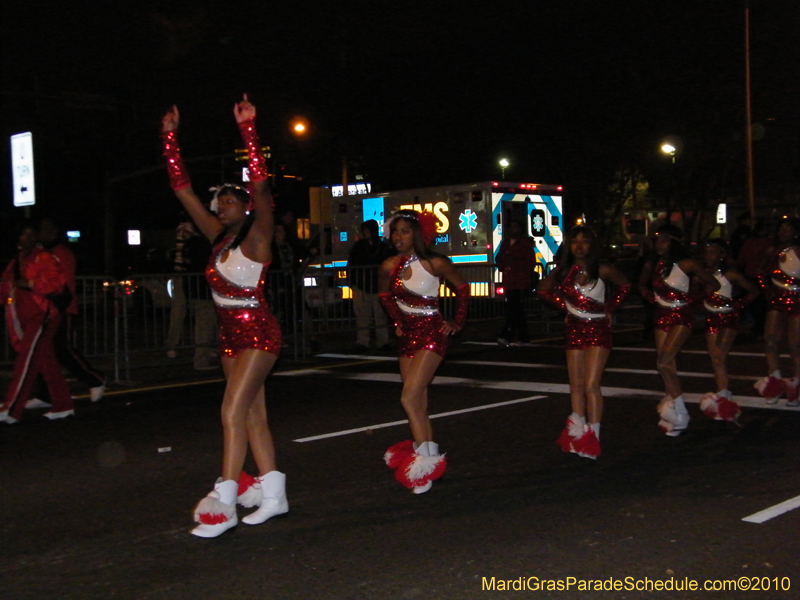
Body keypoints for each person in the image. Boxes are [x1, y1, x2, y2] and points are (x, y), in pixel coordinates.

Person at [161, 95, 287, 538]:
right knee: (252, 415)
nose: (221, 206)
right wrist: (169, 139)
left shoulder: (258, 237)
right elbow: (182, 190)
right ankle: (274, 495)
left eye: (230, 200)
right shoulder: (218, 239)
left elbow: (262, 188)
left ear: (245, 206)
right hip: (229, 334)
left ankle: (226, 499)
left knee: (230, 411)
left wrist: (249, 130)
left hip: (258, 332)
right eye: (220, 202)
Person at [378, 209, 469, 494]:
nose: (398, 237)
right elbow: (383, 295)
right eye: (395, 231)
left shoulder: (435, 263)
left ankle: (424, 465)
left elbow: (463, 288)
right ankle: (430, 458)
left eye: (404, 231)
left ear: (417, 234)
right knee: (418, 401)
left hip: (432, 333)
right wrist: (396, 323)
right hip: (408, 337)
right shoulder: (389, 265)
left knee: (409, 396)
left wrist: (456, 322)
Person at [537, 225, 630, 459]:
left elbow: (625, 286)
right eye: (575, 241)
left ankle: (594, 436)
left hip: (598, 327)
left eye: (584, 241)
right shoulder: (563, 271)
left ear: (592, 245)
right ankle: (577, 433)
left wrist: (609, 308)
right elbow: (543, 290)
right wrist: (567, 306)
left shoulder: (603, 269)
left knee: (591, 385)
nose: (579, 246)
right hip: (573, 328)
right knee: (576, 385)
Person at [637, 224, 719, 436]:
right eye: (657, 240)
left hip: (681, 315)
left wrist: (692, 299)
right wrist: (652, 299)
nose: (659, 244)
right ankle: (674, 411)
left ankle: (681, 413)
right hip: (661, 315)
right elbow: (641, 286)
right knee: (668, 365)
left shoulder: (688, 264)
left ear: (674, 241)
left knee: (663, 361)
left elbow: (713, 284)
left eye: (664, 239)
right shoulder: (653, 264)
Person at [1, 223, 74, 423]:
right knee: (45, 361)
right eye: (23, 233)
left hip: (41, 315)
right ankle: (63, 404)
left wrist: (31, 284)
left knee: (26, 362)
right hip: (25, 317)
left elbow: (56, 285)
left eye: (30, 233)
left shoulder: (42, 257)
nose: (27, 237)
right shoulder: (17, 261)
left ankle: (11, 408)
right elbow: (6, 288)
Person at [37, 217, 106, 400]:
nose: (41, 235)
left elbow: (62, 284)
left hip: (62, 308)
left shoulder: (60, 253)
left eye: (45, 230)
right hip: (47, 308)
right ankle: (45, 393)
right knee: (42, 350)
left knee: (62, 349)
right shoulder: (46, 253)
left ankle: (95, 379)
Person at [698, 239, 759, 421]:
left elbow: (754, 291)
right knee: (715, 357)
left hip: (728, 318)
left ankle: (724, 395)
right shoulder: (701, 274)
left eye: (713, 252)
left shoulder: (730, 274)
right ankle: (723, 394)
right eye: (706, 252)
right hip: (711, 317)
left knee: (719, 356)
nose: (708, 256)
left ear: (722, 255)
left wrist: (737, 305)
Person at [753, 218, 800, 406]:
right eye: (781, 228)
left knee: (795, 345)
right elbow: (760, 272)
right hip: (776, 300)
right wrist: (768, 291)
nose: (784, 231)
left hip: (798, 300)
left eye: (788, 229)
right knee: (770, 340)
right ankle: (775, 382)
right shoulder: (771, 250)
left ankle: (796, 387)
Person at [347, 219, 392, 351]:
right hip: (362, 284)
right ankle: (363, 341)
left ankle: (383, 341)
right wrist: (353, 281)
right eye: (364, 231)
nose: (365, 233)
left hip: (378, 285)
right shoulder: (359, 246)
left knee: (380, 315)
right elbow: (351, 264)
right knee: (362, 315)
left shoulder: (382, 247)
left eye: (367, 230)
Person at [180, 225, 219, 370]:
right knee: (204, 326)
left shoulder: (190, 244)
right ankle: (201, 360)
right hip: (203, 290)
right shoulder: (202, 244)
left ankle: (207, 354)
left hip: (194, 289)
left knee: (206, 324)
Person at [495, 220, 537, 346]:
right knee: (517, 309)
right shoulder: (506, 243)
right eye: (511, 227)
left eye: (515, 226)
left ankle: (506, 335)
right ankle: (523, 336)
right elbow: (499, 258)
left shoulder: (524, 243)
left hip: (519, 281)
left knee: (514, 308)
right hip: (509, 281)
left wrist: (514, 264)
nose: (512, 229)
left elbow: (530, 261)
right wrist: (504, 265)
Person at [165, 216, 196, 359]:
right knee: (179, 309)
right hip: (183, 274)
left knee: (203, 311)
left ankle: (206, 345)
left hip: (192, 274)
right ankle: (172, 344)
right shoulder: (184, 228)